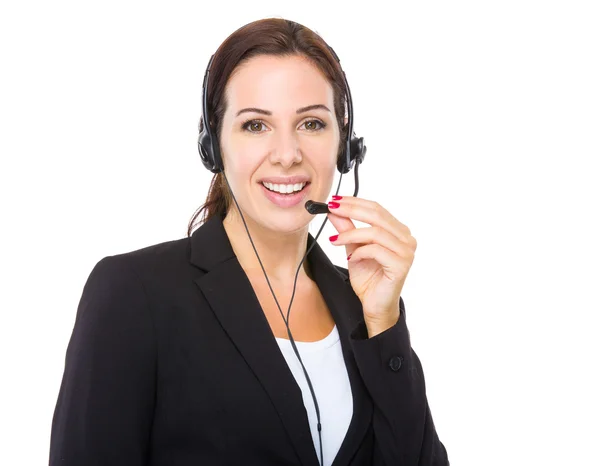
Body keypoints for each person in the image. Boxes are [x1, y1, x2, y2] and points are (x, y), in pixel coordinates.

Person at [49, 17, 449, 466]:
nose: (286, 153)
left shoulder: (363, 305)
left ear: (344, 147)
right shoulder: (133, 293)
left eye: (312, 124)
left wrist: (385, 323)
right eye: (256, 126)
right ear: (213, 147)